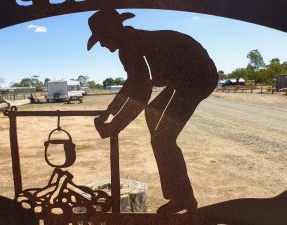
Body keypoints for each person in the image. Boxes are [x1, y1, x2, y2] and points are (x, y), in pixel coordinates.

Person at [87, 9, 218, 214]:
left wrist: (115, 125)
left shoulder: (131, 45)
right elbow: (132, 85)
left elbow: (141, 92)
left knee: (163, 138)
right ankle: (179, 196)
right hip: (182, 78)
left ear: (113, 31)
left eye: (102, 38)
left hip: (197, 76)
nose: (102, 44)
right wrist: (109, 112)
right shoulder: (129, 44)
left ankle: (184, 199)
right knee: (153, 116)